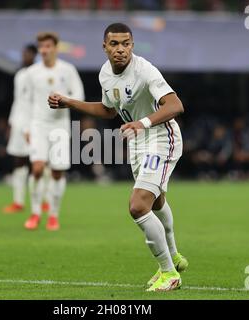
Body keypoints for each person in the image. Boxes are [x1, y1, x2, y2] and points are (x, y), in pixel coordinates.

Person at [48, 23, 188, 292]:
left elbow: (175, 105)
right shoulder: (105, 74)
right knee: (156, 201)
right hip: (138, 142)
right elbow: (108, 110)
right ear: (105, 47)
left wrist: (141, 123)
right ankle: (174, 256)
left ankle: (169, 272)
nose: (121, 49)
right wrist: (70, 102)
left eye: (126, 43)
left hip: (161, 138)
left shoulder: (144, 70)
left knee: (138, 206)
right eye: (115, 44)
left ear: (132, 46)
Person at [24, 32, 85, 231]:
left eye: (48, 46)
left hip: (60, 126)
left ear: (56, 48)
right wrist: (26, 127)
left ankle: (53, 215)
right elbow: (26, 102)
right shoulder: (32, 72)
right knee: (38, 168)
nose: (44, 50)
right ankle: (34, 213)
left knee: (57, 172)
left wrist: (64, 101)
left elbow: (79, 96)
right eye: (41, 46)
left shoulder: (68, 70)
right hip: (38, 124)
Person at [2, 44, 51, 214]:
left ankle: (45, 200)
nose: (25, 56)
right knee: (18, 161)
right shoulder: (20, 75)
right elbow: (18, 101)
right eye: (23, 53)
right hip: (19, 122)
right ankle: (18, 202)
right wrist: (11, 123)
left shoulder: (41, 74)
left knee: (41, 161)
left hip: (36, 123)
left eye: (28, 53)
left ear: (34, 55)